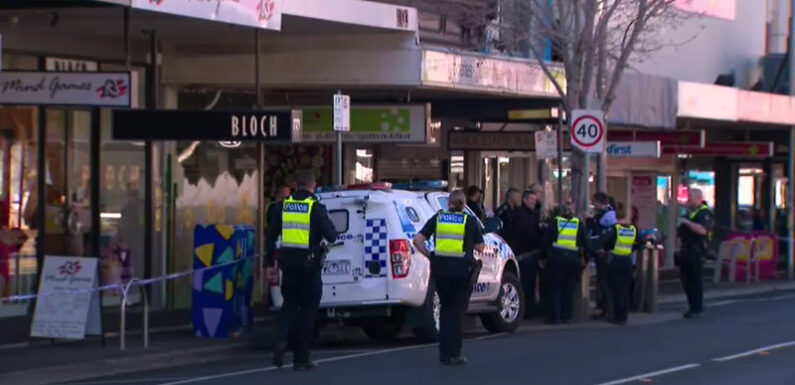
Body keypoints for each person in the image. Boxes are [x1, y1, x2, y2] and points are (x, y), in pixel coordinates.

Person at [266, 170, 338, 371]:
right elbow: (332, 235)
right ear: (313, 185)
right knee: (307, 311)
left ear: (297, 185)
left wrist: (268, 265)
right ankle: (301, 358)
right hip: (309, 266)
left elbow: (271, 236)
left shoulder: (283, 206)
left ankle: (280, 342)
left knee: (288, 306)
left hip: (287, 265)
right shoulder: (315, 208)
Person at [413, 190, 485, 366]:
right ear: (463, 203)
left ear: (449, 203)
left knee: (445, 312)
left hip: (441, 271)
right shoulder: (469, 221)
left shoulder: (438, 218)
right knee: (456, 313)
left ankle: (444, 354)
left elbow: (417, 240)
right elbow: (481, 247)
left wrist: (431, 256)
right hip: (461, 272)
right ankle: (455, 353)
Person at [541, 204, 590, 324]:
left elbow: (545, 242)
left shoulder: (555, 223)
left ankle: (554, 317)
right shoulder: (578, 224)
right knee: (569, 290)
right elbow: (587, 244)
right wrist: (585, 261)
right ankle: (566, 316)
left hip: (556, 260)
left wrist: (543, 258)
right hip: (573, 262)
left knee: (554, 289)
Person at [677, 188, 712, 319]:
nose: (688, 199)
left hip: (696, 250)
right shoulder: (690, 213)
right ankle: (692, 305)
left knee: (695, 280)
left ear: (698, 198)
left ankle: (697, 308)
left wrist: (687, 222)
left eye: (690, 196)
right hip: (686, 250)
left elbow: (703, 230)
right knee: (686, 279)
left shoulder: (704, 213)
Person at [598, 221, 642, 325]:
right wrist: (631, 248)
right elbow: (639, 243)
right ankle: (623, 316)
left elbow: (603, 240)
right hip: (627, 261)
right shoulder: (633, 230)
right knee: (625, 290)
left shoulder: (615, 229)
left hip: (615, 260)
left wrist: (605, 249)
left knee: (616, 290)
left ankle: (617, 316)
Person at [512, 190, 544, 318]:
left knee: (530, 284)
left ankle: (530, 309)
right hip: (524, 254)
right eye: (531, 199)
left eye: (535, 200)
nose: (534, 202)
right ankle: (526, 311)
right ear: (524, 200)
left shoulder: (532, 214)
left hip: (531, 254)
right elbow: (526, 234)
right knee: (525, 284)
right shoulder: (521, 215)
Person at [589, 192, 617, 319]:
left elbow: (610, 234)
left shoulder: (609, 215)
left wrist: (604, 248)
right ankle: (604, 308)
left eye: (594, 202)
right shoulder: (603, 214)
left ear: (600, 202)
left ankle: (608, 310)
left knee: (605, 282)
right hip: (600, 251)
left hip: (604, 253)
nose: (593, 205)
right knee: (602, 281)